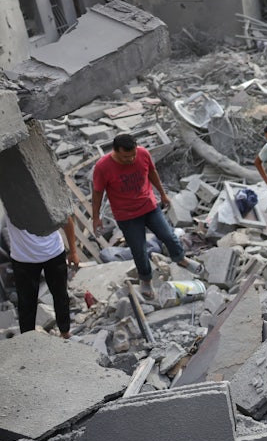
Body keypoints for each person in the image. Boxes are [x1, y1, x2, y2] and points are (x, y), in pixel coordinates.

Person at [91, 134, 202, 298]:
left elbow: (152, 172)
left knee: (168, 235)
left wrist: (163, 194)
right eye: (125, 157)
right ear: (115, 151)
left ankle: (180, 259)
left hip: (149, 206)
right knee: (139, 249)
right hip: (126, 216)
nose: (131, 159)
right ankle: (146, 279)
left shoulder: (143, 154)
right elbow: (97, 192)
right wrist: (96, 217)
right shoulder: (103, 167)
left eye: (133, 155)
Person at [6, 217, 77, 338]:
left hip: (53, 251)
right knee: (26, 303)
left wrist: (73, 251)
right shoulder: (11, 204)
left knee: (61, 295)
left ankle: (65, 333)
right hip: (23, 258)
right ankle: (28, 339)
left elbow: (65, 217)